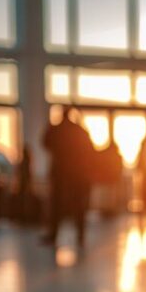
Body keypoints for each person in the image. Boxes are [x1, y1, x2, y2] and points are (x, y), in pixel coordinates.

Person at [42, 105, 95, 248]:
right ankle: (80, 235)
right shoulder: (79, 130)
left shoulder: (57, 129)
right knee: (78, 206)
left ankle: (54, 235)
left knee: (56, 206)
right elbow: (90, 150)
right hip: (76, 174)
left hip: (60, 173)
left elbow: (45, 142)